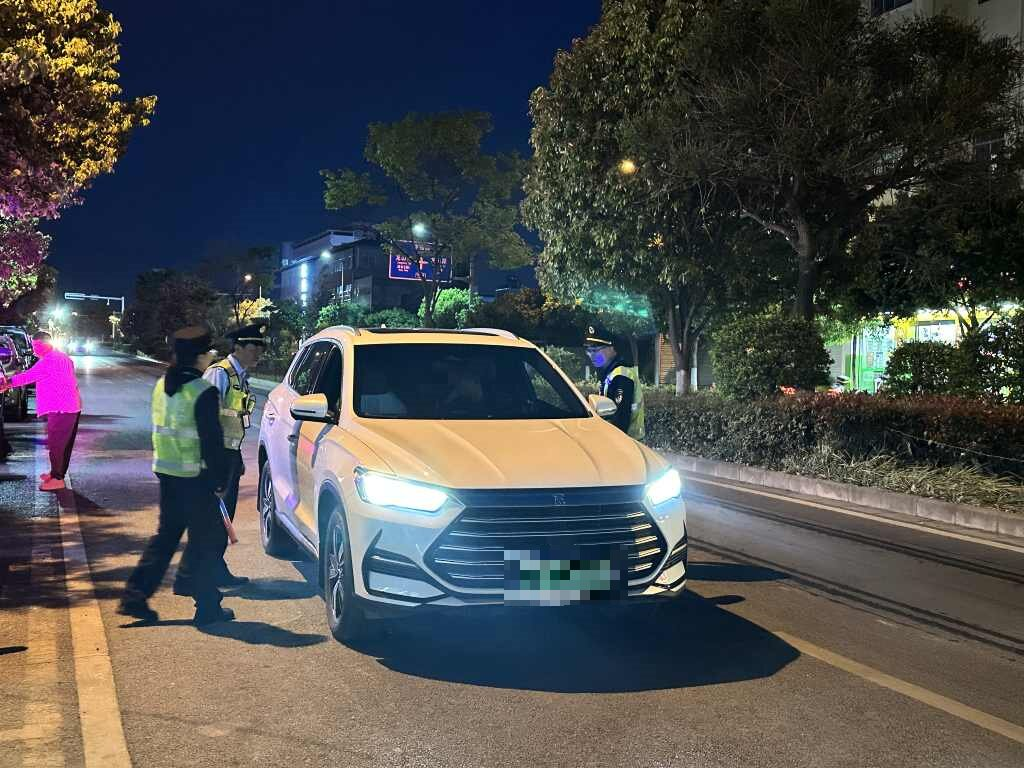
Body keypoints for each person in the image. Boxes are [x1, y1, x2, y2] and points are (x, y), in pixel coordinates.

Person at [118, 326, 234, 626]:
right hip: (195, 477)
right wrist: (220, 480)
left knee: (166, 537)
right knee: (207, 542)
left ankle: (135, 596)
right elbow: (211, 441)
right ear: (199, 356)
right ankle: (208, 607)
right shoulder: (202, 391)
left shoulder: (162, 385)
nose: (212, 356)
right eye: (209, 352)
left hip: (167, 472)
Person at [174, 322, 265, 594]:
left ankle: (214, 569)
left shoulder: (240, 376)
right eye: (253, 347)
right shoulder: (220, 373)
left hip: (229, 455)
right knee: (212, 519)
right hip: (215, 455)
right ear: (238, 347)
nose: (258, 353)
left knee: (222, 519)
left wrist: (236, 459)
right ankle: (189, 577)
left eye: (260, 348)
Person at [0, 331, 82, 491]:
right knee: (62, 445)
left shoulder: (50, 360)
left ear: (46, 344)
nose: (34, 349)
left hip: (61, 409)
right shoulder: (62, 357)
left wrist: (7, 383)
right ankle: (56, 474)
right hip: (69, 407)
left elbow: (28, 376)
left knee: (57, 445)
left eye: (36, 345)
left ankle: (57, 478)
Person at [584, 324, 645, 440]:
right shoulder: (610, 373)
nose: (592, 355)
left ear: (612, 349)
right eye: (588, 350)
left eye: (596, 350)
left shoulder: (621, 376)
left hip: (628, 443)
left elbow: (620, 421)